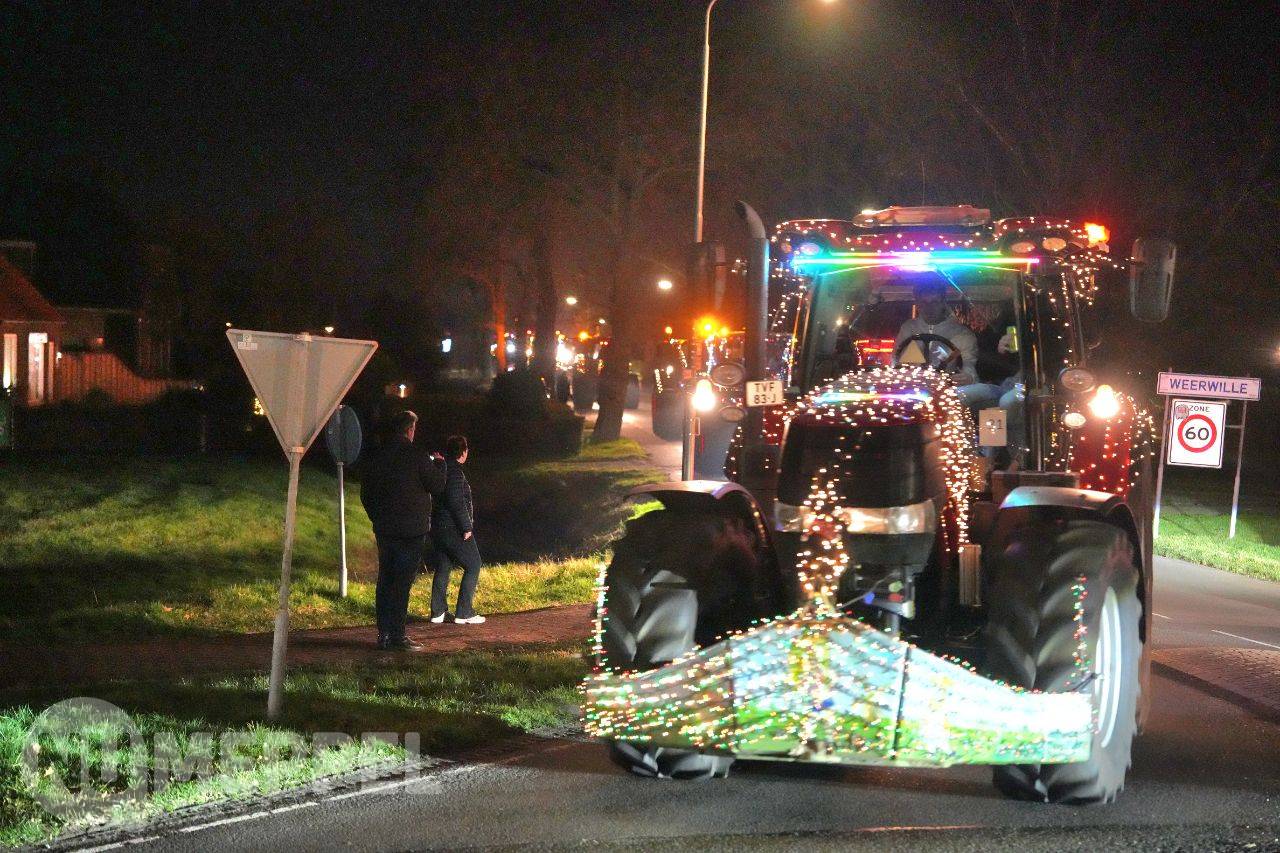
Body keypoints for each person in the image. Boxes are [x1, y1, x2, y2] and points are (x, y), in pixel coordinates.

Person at [360, 410, 446, 651]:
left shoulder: (377, 457)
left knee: (385, 580)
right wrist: (439, 463)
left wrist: (377, 517)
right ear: (410, 430)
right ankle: (397, 635)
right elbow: (437, 485)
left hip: (385, 529)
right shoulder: (417, 456)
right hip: (412, 531)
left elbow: (366, 493)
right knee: (401, 582)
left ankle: (384, 633)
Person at [429, 435, 485, 625]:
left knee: (444, 566)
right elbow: (456, 501)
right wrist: (466, 527)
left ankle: (438, 612)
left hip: (438, 528)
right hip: (453, 527)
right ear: (463, 452)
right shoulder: (454, 472)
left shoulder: (442, 468)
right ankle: (464, 612)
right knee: (474, 564)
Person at [895, 279, 979, 386]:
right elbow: (895, 361)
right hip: (911, 387)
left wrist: (968, 376)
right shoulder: (908, 328)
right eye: (924, 302)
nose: (929, 308)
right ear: (917, 303)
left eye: (934, 302)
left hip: (947, 388)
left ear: (943, 302)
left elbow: (968, 364)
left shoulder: (962, 334)